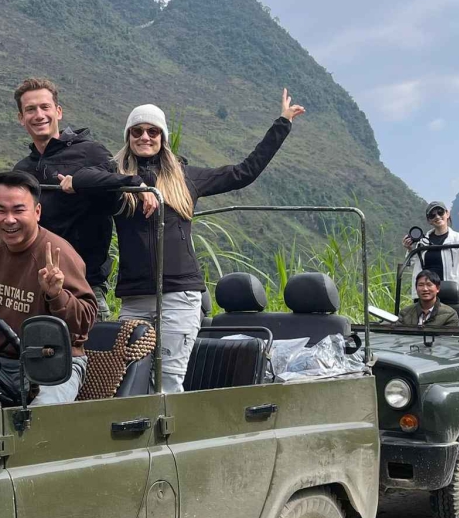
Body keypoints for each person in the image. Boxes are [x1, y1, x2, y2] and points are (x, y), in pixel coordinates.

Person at [61, 89, 306, 392]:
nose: (145, 136)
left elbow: (244, 172)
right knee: (125, 380)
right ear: (128, 136)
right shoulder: (116, 178)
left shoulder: (186, 178)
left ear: (162, 137)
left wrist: (282, 123)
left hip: (179, 296)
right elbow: (82, 177)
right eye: (137, 131)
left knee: (167, 382)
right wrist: (134, 184)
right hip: (135, 298)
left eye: (153, 131)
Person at [0, 170, 98, 405]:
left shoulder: (58, 254)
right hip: (0, 358)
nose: (9, 219)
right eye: (0, 210)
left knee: (40, 422)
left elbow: (85, 321)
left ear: (37, 212)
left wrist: (56, 295)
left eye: (19, 210)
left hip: (53, 364)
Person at [9, 78, 126, 315]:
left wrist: (85, 184)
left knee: (94, 352)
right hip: (36, 284)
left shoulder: (91, 153)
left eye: (45, 107)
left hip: (85, 285)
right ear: (21, 118)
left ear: (58, 112)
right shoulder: (22, 170)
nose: (39, 115)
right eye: (30, 109)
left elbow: (119, 201)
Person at [403, 198, 459, 303]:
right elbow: (410, 263)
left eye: (440, 212)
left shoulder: (458, 239)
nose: (437, 216)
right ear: (429, 220)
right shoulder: (423, 243)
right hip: (427, 295)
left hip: (452, 295)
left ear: (447, 214)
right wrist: (410, 249)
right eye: (432, 215)